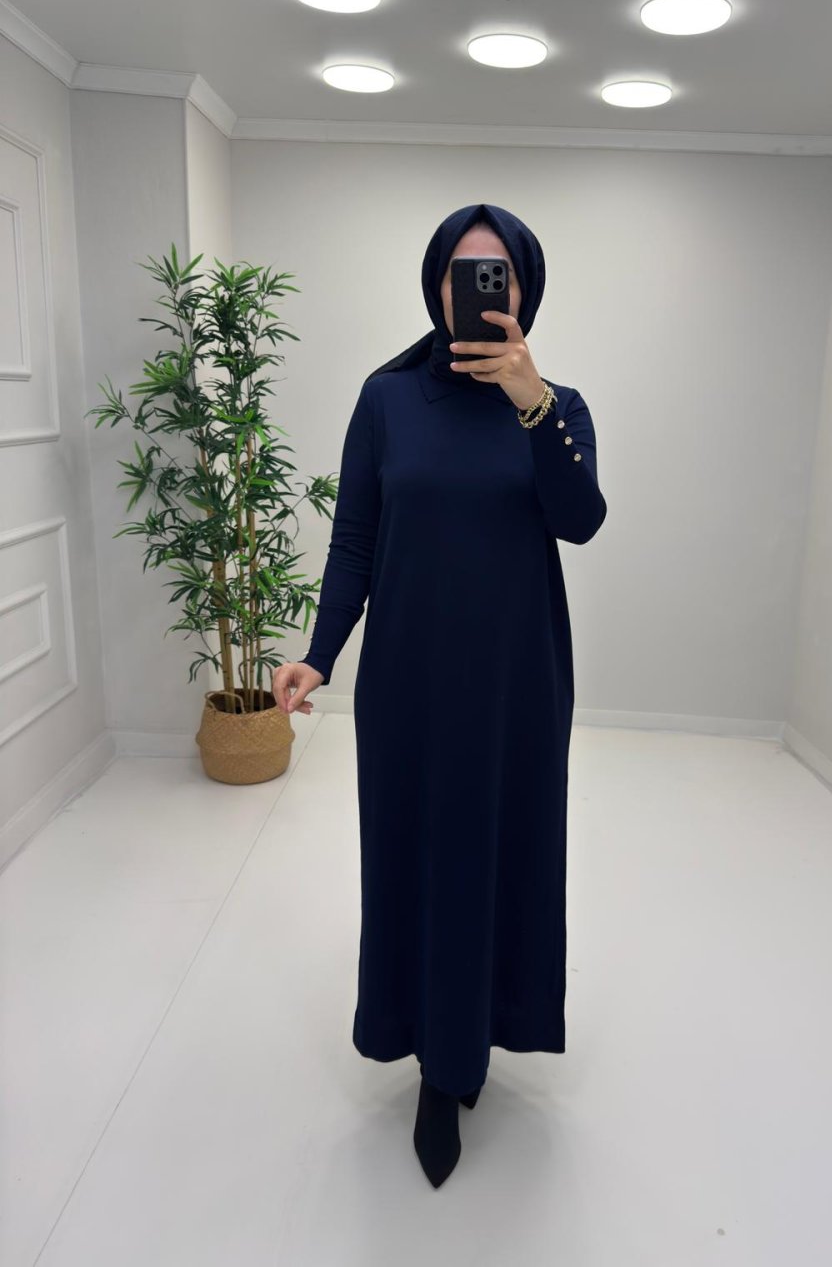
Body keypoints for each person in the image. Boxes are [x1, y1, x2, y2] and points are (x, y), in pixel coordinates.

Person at [272, 203, 608, 1187]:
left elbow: (580, 518)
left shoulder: (559, 405)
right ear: (436, 285)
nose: (478, 287)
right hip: (409, 683)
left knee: (504, 853)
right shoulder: (387, 400)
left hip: (516, 683)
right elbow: (355, 538)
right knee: (418, 858)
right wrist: (319, 654)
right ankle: (431, 1059)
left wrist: (531, 402)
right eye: (463, 270)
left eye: (497, 272)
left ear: (524, 289)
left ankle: (477, 1041)